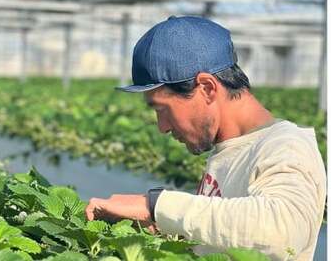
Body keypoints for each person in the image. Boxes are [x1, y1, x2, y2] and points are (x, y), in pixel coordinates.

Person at [85, 16, 326, 261]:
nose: (162, 127)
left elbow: (281, 231)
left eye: (161, 109)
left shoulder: (286, 146)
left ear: (207, 88)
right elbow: (225, 230)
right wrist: (164, 228)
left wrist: (156, 206)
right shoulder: (230, 149)